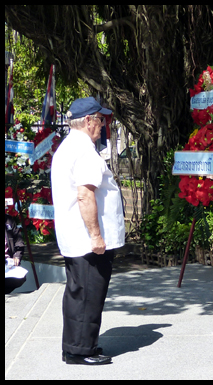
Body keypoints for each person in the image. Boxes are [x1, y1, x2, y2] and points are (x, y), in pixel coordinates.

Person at [51, 97, 125, 365]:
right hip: (87, 238)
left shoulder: (68, 146)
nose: (104, 125)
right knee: (88, 294)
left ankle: (75, 345)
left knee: (79, 291)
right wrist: (96, 235)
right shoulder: (84, 150)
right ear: (88, 121)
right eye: (101, 119)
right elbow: (85, 195)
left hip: (75, 235)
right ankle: (80, 350)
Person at [5, 213, 27, 294]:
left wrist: (17, 257)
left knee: (20, 278)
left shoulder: (8, 220)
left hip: (8, 264)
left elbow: (19, 242)